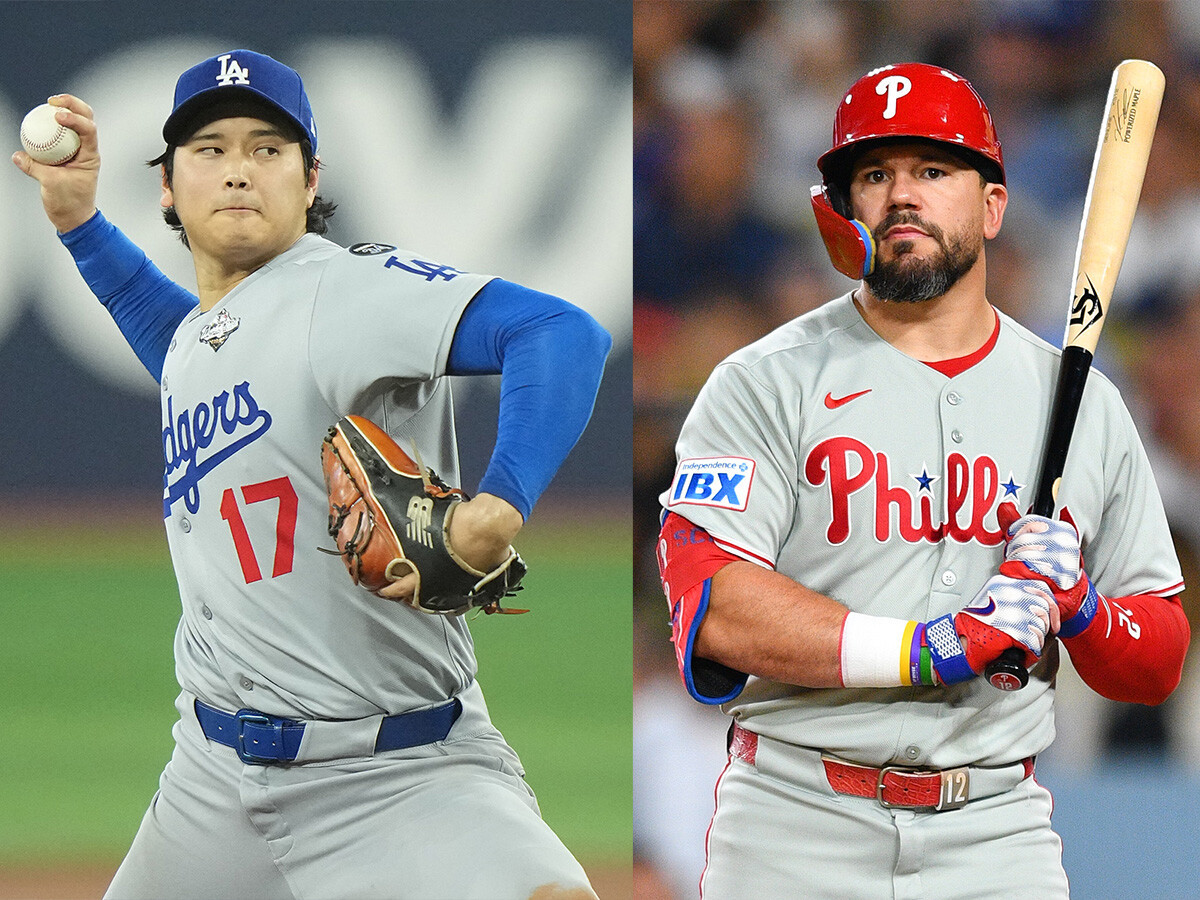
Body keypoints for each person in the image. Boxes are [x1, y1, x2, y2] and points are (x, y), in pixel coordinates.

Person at [13, 49, 610, 900]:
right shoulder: (215, 331)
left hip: (400, 775)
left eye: (267, 149)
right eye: (209, 150)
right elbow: (188, 349)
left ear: (310, 177)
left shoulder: (349, 287)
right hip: (211, 782)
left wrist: (499, 505)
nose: (238, 171)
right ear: (168, 187)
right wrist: (79, 225)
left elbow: (561, 332)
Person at [655, 63, 1190, 899]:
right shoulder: (764, 381)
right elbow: (713, 606)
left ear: (993, 206)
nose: (902, 194)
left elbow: (1157, 657)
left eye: (933, 169)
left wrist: (1080, 604)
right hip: (797, 821)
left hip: (996, 829)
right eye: (876, 174)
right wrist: (931, 645)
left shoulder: (1081, 402)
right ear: (844, 208)